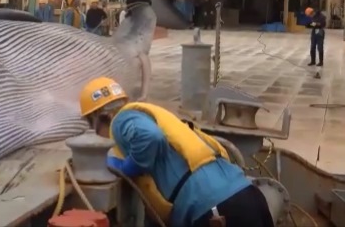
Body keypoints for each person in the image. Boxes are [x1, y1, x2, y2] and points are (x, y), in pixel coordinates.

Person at [78, 77, 275, 227]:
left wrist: (129, 166)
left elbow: (150, 137)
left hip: (217, 209)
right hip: (248, 195)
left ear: (98, 117)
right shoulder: (147, 113)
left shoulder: (122, 119)